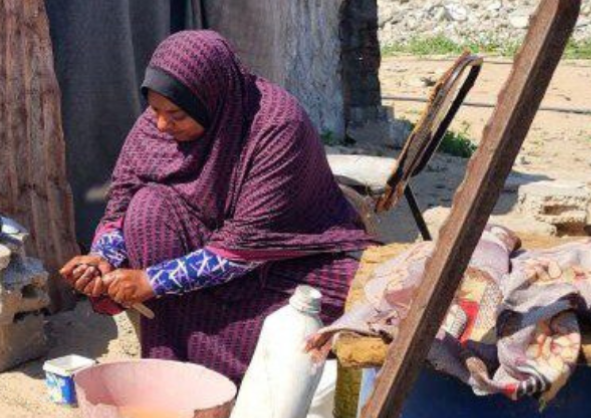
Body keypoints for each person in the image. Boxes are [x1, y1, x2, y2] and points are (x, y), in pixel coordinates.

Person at [59, 30, 373, 383]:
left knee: (325, 323)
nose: (162, 124)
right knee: (147, 208)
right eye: (155, 110)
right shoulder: (157, 124)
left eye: (175, 114)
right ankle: (174, 358)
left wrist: (153, 280)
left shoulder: (276, 127)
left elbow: (245, 246)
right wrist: (104, 258)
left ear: (210, 100)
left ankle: (219, 368)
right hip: (202, 252)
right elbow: (121, 204)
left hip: (283, 259)